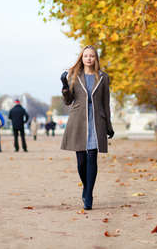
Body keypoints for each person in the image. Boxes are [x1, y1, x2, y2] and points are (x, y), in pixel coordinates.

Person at [60, 45, 114, 210]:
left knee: (92, 158)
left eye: (92, 56)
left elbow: (106, 102)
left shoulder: (103, 78)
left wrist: (108, 126)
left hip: (96, 121)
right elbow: (69, 101)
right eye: (86, 56)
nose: (89, 58)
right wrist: (64, 85)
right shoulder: (74, 76)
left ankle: (88, 194)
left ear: (96, 58)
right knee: (81, 161)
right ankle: (86, 187)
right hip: (79, 122)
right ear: (82, 59)